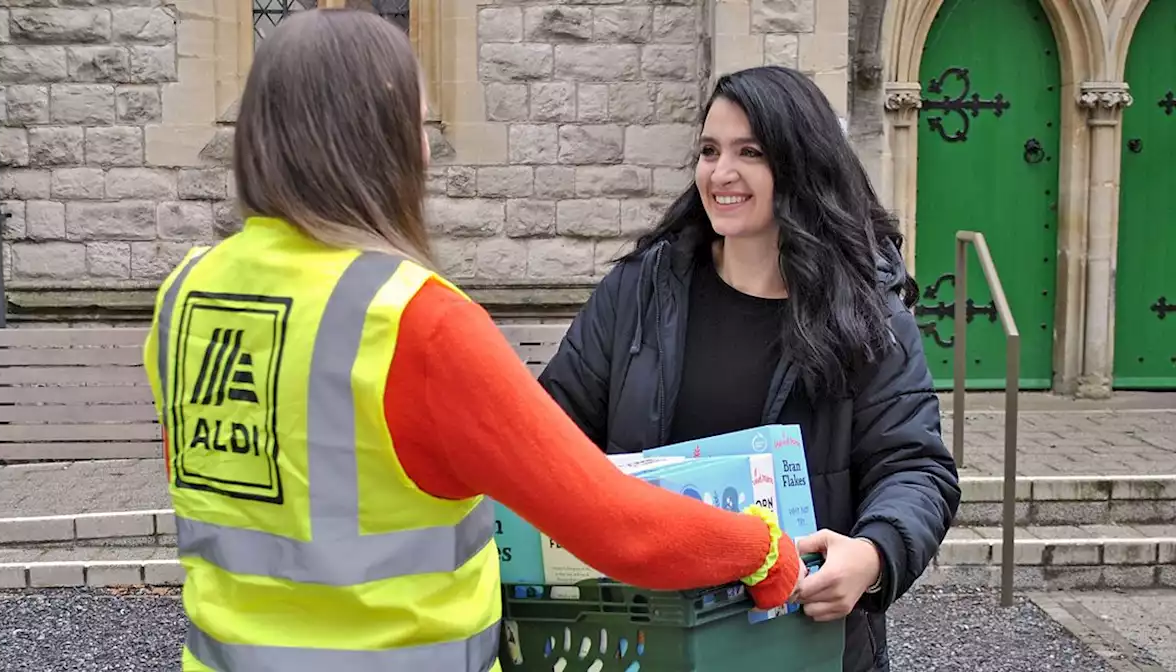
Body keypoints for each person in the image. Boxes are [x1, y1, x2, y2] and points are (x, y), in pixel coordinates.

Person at [140, 11, 805, 672]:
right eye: (418, 127)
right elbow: (616, 526)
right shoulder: (414, 321)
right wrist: (761, 548)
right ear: (384, 146)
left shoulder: (185, 296)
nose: (426, 150)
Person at [536, 65, 962, 672]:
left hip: (802, 639)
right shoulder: (639, 292)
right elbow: (553, 429)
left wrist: (872, 555)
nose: (721, 173)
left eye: (749, 152)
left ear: (800, 164)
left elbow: (915, 465)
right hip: (650, 634)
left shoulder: (866, 312)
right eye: (709, 150)